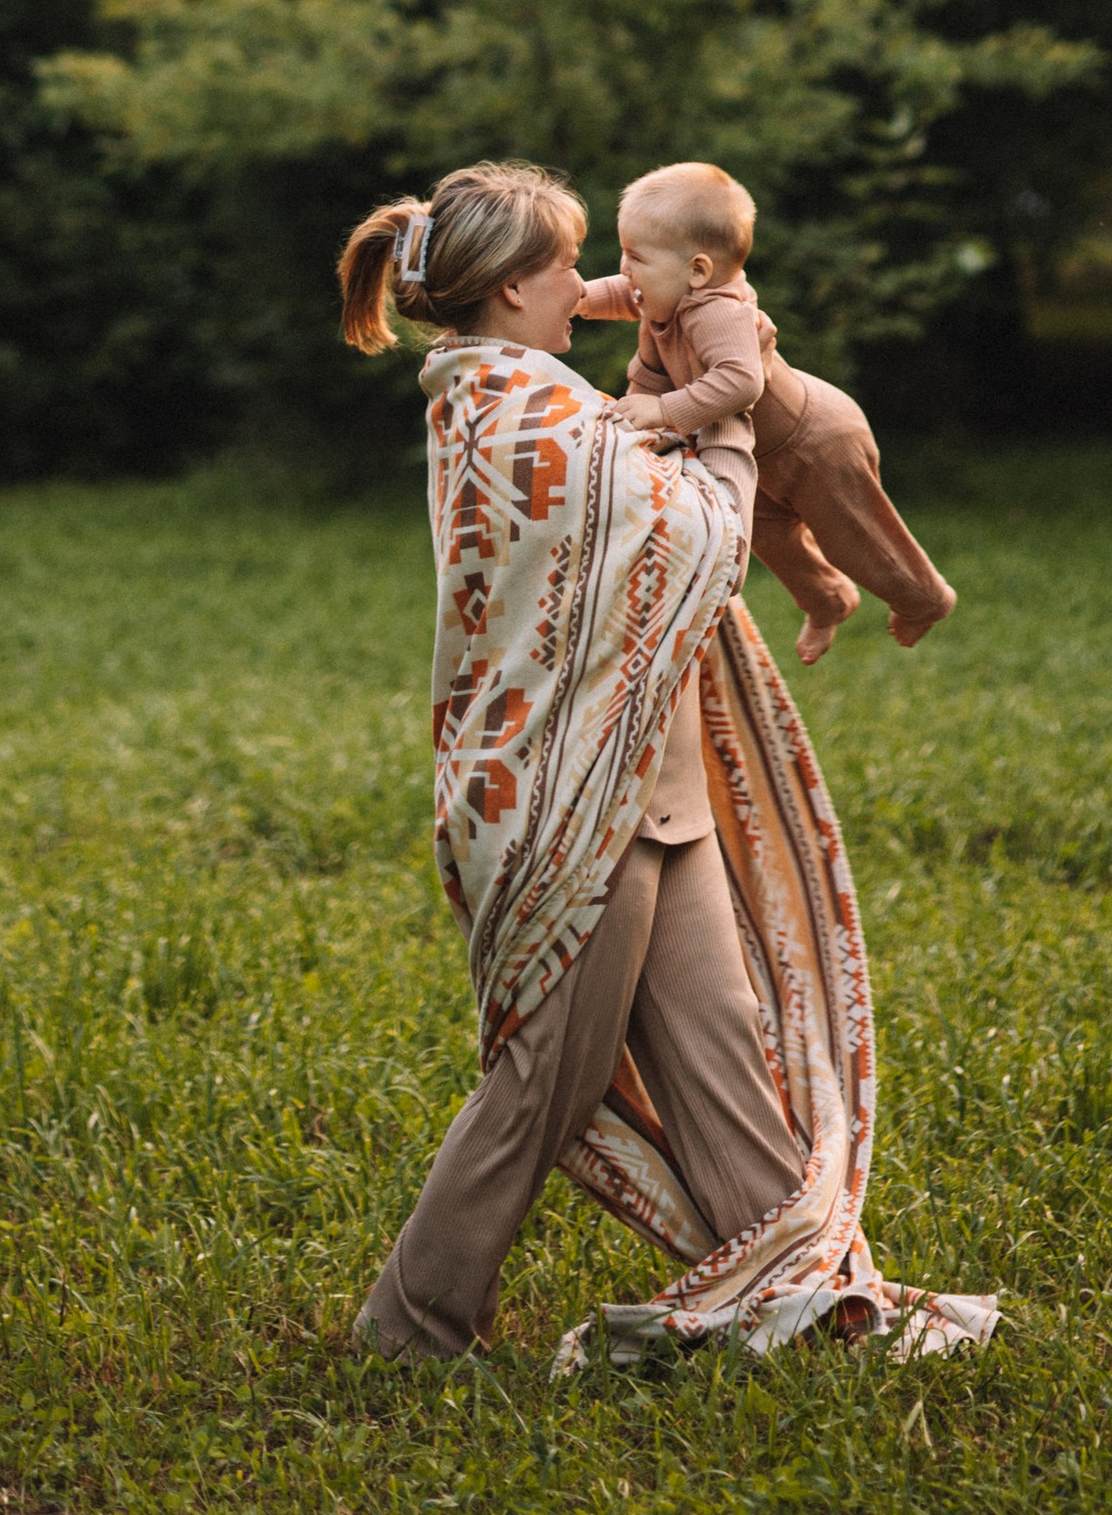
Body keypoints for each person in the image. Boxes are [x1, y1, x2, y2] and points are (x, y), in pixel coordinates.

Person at [340, 158, 997, 1373]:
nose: (593, 283)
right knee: (548, 1077)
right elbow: (698, 534)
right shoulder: (514, 412)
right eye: (568, 264)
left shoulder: (535, 392)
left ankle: (804, 1294)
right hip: (568, 806)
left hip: (657, 790)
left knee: (722, 1055)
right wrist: (735, 410)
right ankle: (412, 1328)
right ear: (517, 287)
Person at [577, 158, 960, 668]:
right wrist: (576, 300)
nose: (624, 271)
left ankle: (924, 599)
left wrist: (664, 410)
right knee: (771, 540)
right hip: (763, 451)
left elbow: (740, 382)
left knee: (854, 538)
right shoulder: (662, 302)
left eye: (634, 257)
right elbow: (633, 324)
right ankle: (828, 600)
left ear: (698, 271)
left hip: (816, 442)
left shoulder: (717, 311)